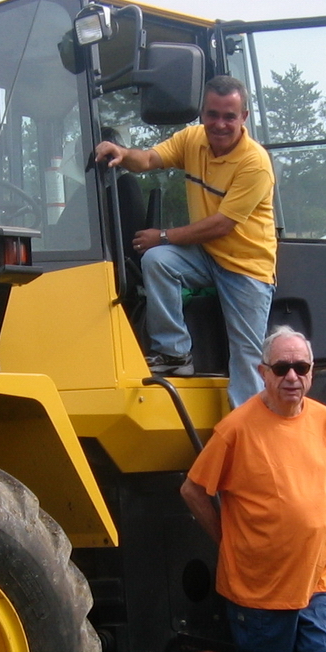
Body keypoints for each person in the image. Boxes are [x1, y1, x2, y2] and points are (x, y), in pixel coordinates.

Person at [181, 327, 326, 652]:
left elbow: (325, 487)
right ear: (263, 372)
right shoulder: (236, 429)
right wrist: (228, 540)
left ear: (312, 372)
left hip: (321, 570)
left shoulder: (325, 421)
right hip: (263, 578)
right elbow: (193, 490)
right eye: (282, 368)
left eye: (301, 368)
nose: (292, 377)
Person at [94, 75, 275, 408]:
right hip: (207, 257)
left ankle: (244, 427)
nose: (220, 124)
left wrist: (162, 236)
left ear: (244, 117)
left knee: (247, 355)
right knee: (157, 260)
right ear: (202, 113)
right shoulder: (193, 140)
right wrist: (121, 152)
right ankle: (175, 353)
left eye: (229, 116)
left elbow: (221, 225)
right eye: (212, 114)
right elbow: (148, 160)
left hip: (246, 266)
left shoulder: (255, 162)